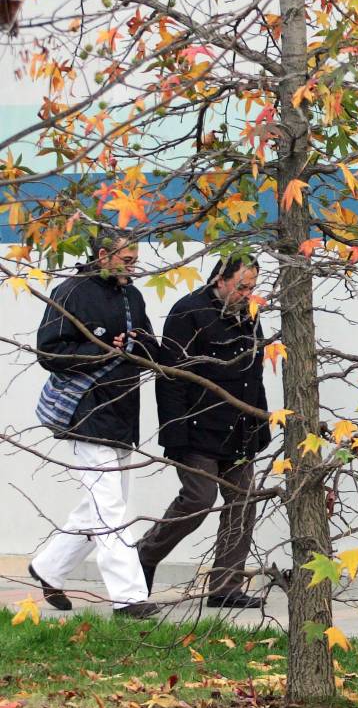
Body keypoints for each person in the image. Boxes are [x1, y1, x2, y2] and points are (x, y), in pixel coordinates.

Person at [27, 229, 161, 619]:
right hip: (85, 413)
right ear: (103, 255)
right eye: (127, 260)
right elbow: (49, 351)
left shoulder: (131, 295)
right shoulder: (70, 292)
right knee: (111, 511)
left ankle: (48, 567)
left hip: (122, 413)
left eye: (136, 260)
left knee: (100, 506)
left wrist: (142, 345)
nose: (133, 268)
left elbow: (149, 345)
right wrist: (99, 349)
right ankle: (129, 597)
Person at [137, 257, 270, 608]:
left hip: (239, 429)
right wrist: (173, 434)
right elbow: (171, 378)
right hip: (197, 429)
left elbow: (253, 374)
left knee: (243, 502)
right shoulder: (188, 313)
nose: (247, 294)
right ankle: (144, 556)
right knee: (198, 499)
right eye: (241, 286)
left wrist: (261, 423)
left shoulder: (250, 315)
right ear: (218, 280)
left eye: (252, 287)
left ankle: (225, 587)